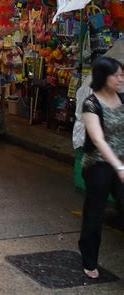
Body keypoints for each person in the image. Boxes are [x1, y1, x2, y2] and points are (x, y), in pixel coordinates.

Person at [78, 57, 124, 279]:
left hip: (121, 161)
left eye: (122, 74)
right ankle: (89, 259)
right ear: (103, 77)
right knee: (94, 214)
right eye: (116, 75)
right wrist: (118, 167)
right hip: (99, 163)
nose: (121, 79)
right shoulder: (91, 103)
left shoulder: (122, 98)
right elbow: (98, 140)